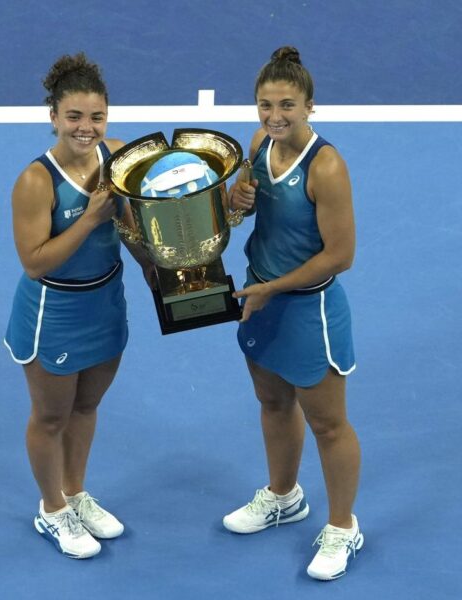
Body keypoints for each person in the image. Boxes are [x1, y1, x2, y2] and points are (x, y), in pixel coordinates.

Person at [4, 52, 153, 559]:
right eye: (74, 117)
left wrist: (155, 270)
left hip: (107, 303)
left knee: (86, 406)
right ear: (53, 118)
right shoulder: (36, 182)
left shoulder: (116, 156)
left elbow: (129, 227)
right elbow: (35, 262)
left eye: (96, 117)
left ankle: (74, 491)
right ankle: (51, 510)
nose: (86, 128)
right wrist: (87, 220)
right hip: (56, 316)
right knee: (50, 418)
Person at [223, 46, 363, 580]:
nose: (274, 116)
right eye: (264, 105)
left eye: (287, 105)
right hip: (260, 297)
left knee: (328, 424)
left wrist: (271, 288)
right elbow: (255, 211)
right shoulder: (261, 144)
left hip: (308, 309)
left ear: (310, 106)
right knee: (273, 401)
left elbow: (340, 256)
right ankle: (284, 496)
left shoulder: (327, 166)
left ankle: (343, 527)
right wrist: (240, 198)